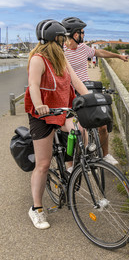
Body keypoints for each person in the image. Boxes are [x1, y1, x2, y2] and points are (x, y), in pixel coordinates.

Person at [25, 19, 89, 229]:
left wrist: (89, 99)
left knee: (81, 130)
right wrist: (39, 105)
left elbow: (75, 81)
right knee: (42, 164)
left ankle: (71, 168)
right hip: (42, 114)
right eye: (62, 38)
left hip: (62, 110)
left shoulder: (61, 58)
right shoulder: (38, 59)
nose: (64, 41)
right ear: (56, 38)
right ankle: (37, 209)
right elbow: (33, 85)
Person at [61, 17, 128, 166]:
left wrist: (118, 56)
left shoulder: (83, 48)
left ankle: (105, 155)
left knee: (102, 124)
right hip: (70, 93)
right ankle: (72, 164)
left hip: (86, 89)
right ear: (74, 34)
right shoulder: (61, 50)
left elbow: (100, 53)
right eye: (82, 32)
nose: (84, 35)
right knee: (76, 129)